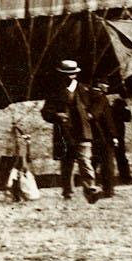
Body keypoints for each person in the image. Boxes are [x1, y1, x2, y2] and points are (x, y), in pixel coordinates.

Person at [41, 59, 102, 202]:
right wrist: (56, 115)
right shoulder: (54, 92)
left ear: (75, 74)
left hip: (83, 132)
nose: (69, 77)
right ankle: (67, 193)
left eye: (72, 74)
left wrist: (91, 114)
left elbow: (100, 102)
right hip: (64, 133)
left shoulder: (84, 90)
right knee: (67, 164)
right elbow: (45, 112)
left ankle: (91, 189)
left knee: (85, 161)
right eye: (66, 74)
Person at [85, 80, 118, 198]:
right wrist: (113, 136)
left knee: (92, 163)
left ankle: (91, 187)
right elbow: (104, 119)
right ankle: (109, 190)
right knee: (108, 165)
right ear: (100, 86)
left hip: (91, 136)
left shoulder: (87, 96)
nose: (108, 86)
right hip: (104, 137)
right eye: (106, 84)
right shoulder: (101, 98)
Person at [110, 90, 132, 183]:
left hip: (110, 135)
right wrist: (127, 107)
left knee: (102, 157)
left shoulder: (110, 110)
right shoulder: (122, 111)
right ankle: (125, 177)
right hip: (119, 136)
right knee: (121, 158)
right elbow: (128, 118)